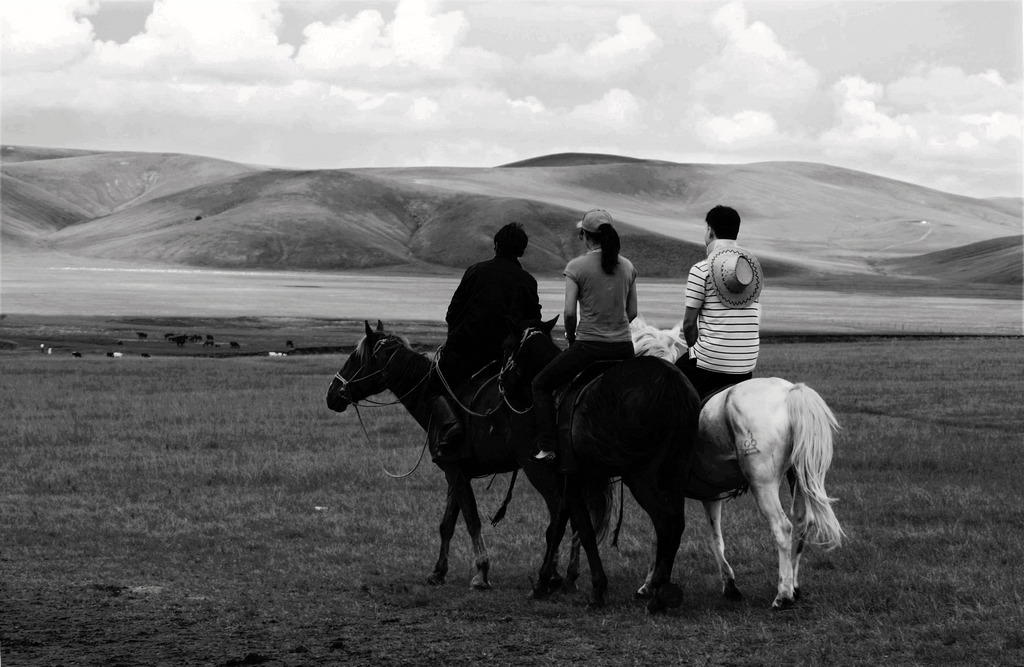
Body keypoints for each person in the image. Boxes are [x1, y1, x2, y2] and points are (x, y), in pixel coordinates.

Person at [532, 209, 638, 466]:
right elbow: (632, 312)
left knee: (540, 385)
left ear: (584, 236)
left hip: (589, 347)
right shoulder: (627, 266)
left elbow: (569, 313)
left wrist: (571, 338)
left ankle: (548, 448)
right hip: (625, 349)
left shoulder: (576, 267)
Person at [430, 222, 542, 461]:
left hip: (466, 353)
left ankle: (451, 427)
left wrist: (456, 341)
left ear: (495, 245)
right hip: (505, 358)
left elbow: (453, 312)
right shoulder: (527, 281)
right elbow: (534, 323)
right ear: (521, 251)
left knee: (433, 382)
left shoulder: (475, 271)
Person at [676, 205, 762, 400]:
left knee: (670, 390)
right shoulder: (750, 271)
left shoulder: (701, 270)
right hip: (747, 363)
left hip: (711, 363)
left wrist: (694, 352)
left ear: (710, 231)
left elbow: (689, 325)